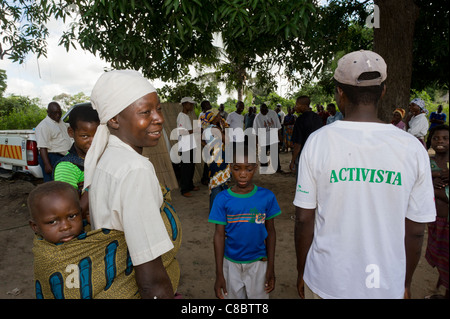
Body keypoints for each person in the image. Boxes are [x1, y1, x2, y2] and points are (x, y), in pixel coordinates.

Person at [293, 50, 436, 299]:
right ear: (382, 91)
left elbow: (304, 219)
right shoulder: (412, 148)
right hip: (385, 283)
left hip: (327, 280)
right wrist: (405, 282)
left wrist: (302, 271)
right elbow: (415, 230)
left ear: (340, 92)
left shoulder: (318, 142)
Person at [84, 70, 176, 299]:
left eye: (159, 108)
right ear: (114, 120)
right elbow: (151, 280)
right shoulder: (135, 170)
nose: (159, 119)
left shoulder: (108, 158)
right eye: (146, 112)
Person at [208, 143, 281, 299]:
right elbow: (219, 236)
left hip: (259, 263)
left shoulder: (267, 197)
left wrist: (271, 268)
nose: (242, 174)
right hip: (230, 263)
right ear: (229, 167)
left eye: (248, 169)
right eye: (237, 168)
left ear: (255, 168)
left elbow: (271, 233)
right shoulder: (222, 199)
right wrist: (219, 273)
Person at [53, 104, 100, 221]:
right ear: (71, 132)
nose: (93, 142)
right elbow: (69, 213)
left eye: (98, 135)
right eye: (85, 136)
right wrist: (93, 185)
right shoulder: (66, 167)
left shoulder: (104, 157)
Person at [425, 124, 449, 299]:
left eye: (446, 138)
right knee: (442, 259)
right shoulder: (428, 161)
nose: (440, 141)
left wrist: (437, 191)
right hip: (436, 221)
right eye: (436, 138)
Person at [35, 102, 72, 182]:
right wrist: (47, 164)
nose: (58, 115)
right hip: (51, 157)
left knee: (62, 181)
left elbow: (68, 128)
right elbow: (42, 147)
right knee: (52, 184)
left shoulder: (60, 122)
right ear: (48, 112)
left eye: (59, 112)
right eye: (55, 113)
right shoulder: (44, 126)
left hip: (63, 157)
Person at [202, 108, 231, 210]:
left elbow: (203, 142)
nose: (220, 117)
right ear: (214, 118)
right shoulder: (216, 129)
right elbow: (227, 141)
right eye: (218, 115)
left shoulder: (206, 129)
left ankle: (214, 209)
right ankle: (218, 210)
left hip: (211, 157)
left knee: (214, 182)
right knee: (220, 182)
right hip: (219, 158)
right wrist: (225, 127)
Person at [289, 96, 323, 173]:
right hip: (317, 155)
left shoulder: (300, 120)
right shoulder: (318, 118)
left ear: (304, 106)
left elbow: (298, 144)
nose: (295, 107)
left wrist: (293, 161)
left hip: (304, 156)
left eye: (297, 105)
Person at [177, 96, 200, 197]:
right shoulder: (181, 116)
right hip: (185, 146)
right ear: (184, 104)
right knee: (186, 168)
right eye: (190, 104)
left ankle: (190, 185)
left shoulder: (186, 116)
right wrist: (195, 130)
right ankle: (184, 189)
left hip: (190, 145)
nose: (192, 106)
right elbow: (181, 132)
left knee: (191, 167)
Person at [252, 103, 282, 173]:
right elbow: (255, 131)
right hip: (263, 139)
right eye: (262, 110)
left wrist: (280, 137)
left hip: (273, 137)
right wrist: (256, 143)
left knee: (274, 154)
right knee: (263, 154)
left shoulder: (273, 113)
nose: (263, 112)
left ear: (267, 109)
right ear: (260, 110)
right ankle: (264, 168)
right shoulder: (257, 117)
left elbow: (278, 126)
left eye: (265, 110)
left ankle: (277, 168)